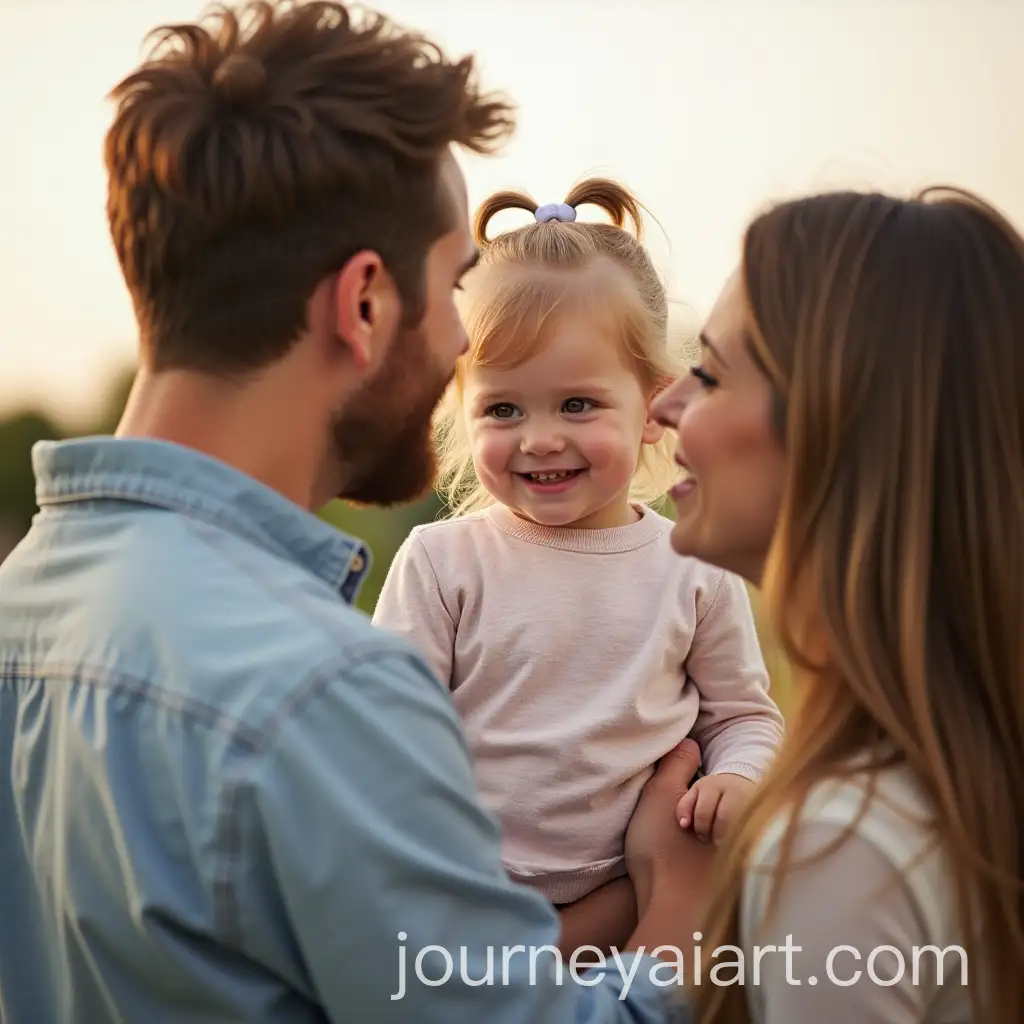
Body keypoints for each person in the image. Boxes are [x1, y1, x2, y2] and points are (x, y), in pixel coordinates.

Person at [0, 2, 713, 1022]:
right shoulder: (318, 691)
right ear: (365, 302)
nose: (466, 342)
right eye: (455, 284)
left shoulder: (19, 610)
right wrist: (677, 905)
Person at [372, 180, 785, 956]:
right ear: (461, 408)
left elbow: (742, 716)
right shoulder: (443, 561)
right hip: (461, 906)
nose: (539, 439)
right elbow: (385, 740)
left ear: (653, 404)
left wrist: (738, 778)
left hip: (631, 901)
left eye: (576, 406)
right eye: (503, 410)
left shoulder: (691, 567)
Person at [650, 185, 1024, 1022]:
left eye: (708, 372)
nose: (664, 404)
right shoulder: (957, 791)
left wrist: (671, 896)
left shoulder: (842, 844)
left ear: (834, 423)